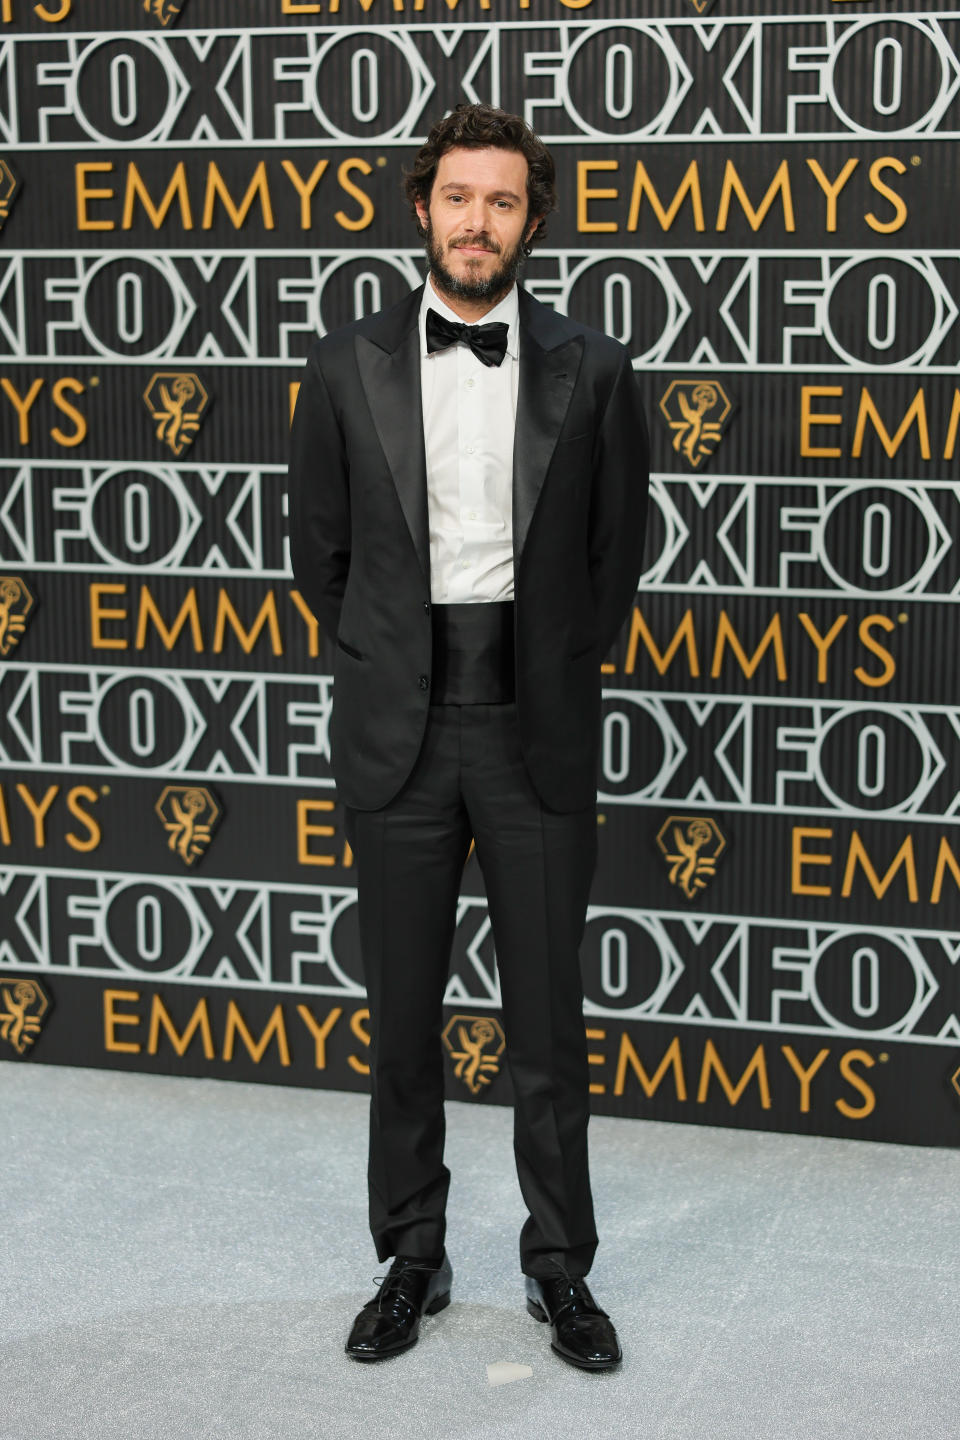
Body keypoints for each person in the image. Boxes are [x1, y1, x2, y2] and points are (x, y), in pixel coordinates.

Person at [288, 102, 649, 1371]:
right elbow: (321, 560)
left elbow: (614, 563)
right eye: (457, 197)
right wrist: (405, 665)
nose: (477, 222)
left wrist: (539, 668)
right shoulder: (344, 367)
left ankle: (561, 1273)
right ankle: (412, 1258)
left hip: (536, 732)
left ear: (533, 221)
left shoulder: (593, 370)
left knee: (548, 1027)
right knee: (400, 1023)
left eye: (502, 201)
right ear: (422, 208)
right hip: (397, 737)